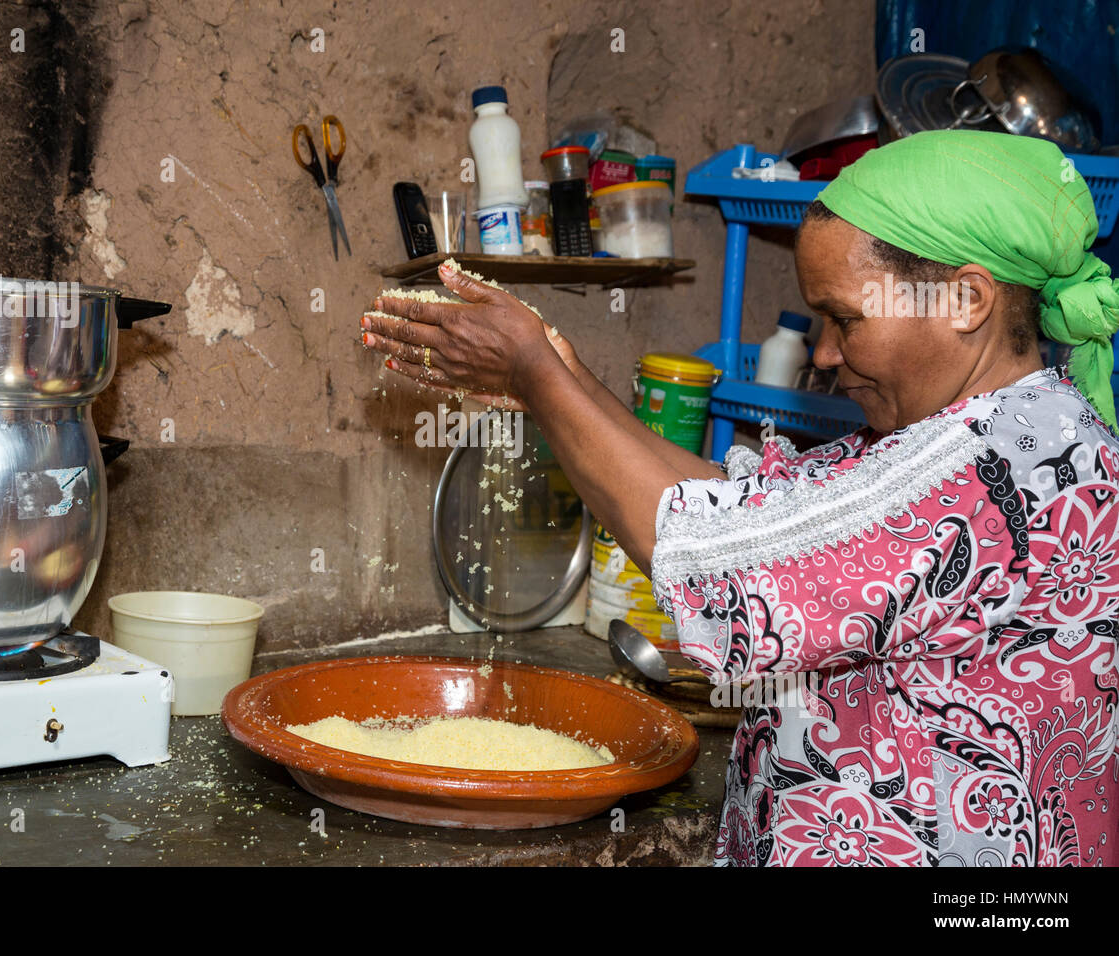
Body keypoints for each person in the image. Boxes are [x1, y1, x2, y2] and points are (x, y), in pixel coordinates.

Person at [360, 130, 1119, 866]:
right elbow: (748, 511)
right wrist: (566, 386)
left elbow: (720, 559)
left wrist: (538, 376)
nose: (823, 353)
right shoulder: (988, 434)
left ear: (967, 299)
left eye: (845, 319)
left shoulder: (991, 472)